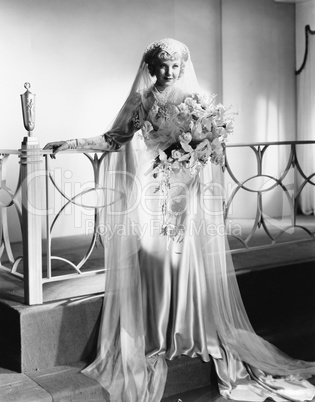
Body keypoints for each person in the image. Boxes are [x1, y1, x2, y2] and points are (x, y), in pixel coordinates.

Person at [44, 38, 315, 402]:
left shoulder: (195, 101)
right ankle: (157, 333)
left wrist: (201, 151)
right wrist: (70, 143)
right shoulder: (142, 101)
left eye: (175, 65)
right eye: (161, 64)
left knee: (185, 261)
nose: (168, 71)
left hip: (186, 192)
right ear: (149, 66)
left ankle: (187, 329)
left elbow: (209, 146)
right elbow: (113, 139)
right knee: (150, 257)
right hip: (152, 190)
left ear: (183, 67)